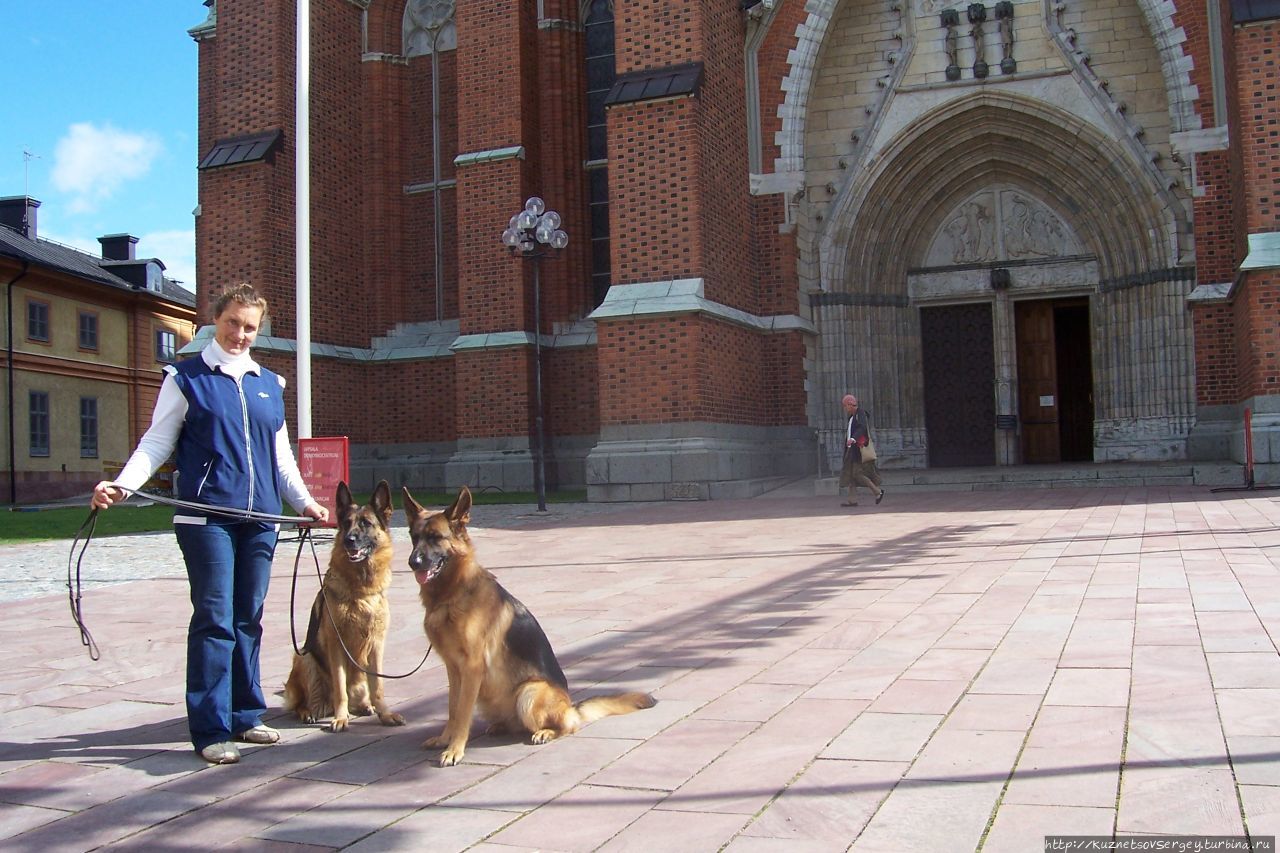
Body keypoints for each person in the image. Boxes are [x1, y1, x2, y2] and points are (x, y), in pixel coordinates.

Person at [92, 283, 329, 765]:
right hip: (206, 519)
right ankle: (210, 727)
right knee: (215, 619)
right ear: (214, 322)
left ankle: (246, 714)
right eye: (232, 324)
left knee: (249, 617)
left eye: (249, 327)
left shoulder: (269, 383)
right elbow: (156, 444)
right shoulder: (185, 377)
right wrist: (121, 484)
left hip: (261, 519)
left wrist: (305, 502)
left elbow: (279, 456)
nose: (240, 334)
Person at [839, 394, 885, 507]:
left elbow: (862, 427)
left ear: (850, 404)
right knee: (851, 475)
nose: (844, 409)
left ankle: (878, 492)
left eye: (845, 406)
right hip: (851, 450)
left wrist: (853, 439)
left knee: (857, 474)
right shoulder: (851, 417)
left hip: (858, 450)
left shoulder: (860, 414)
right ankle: (852, 500)